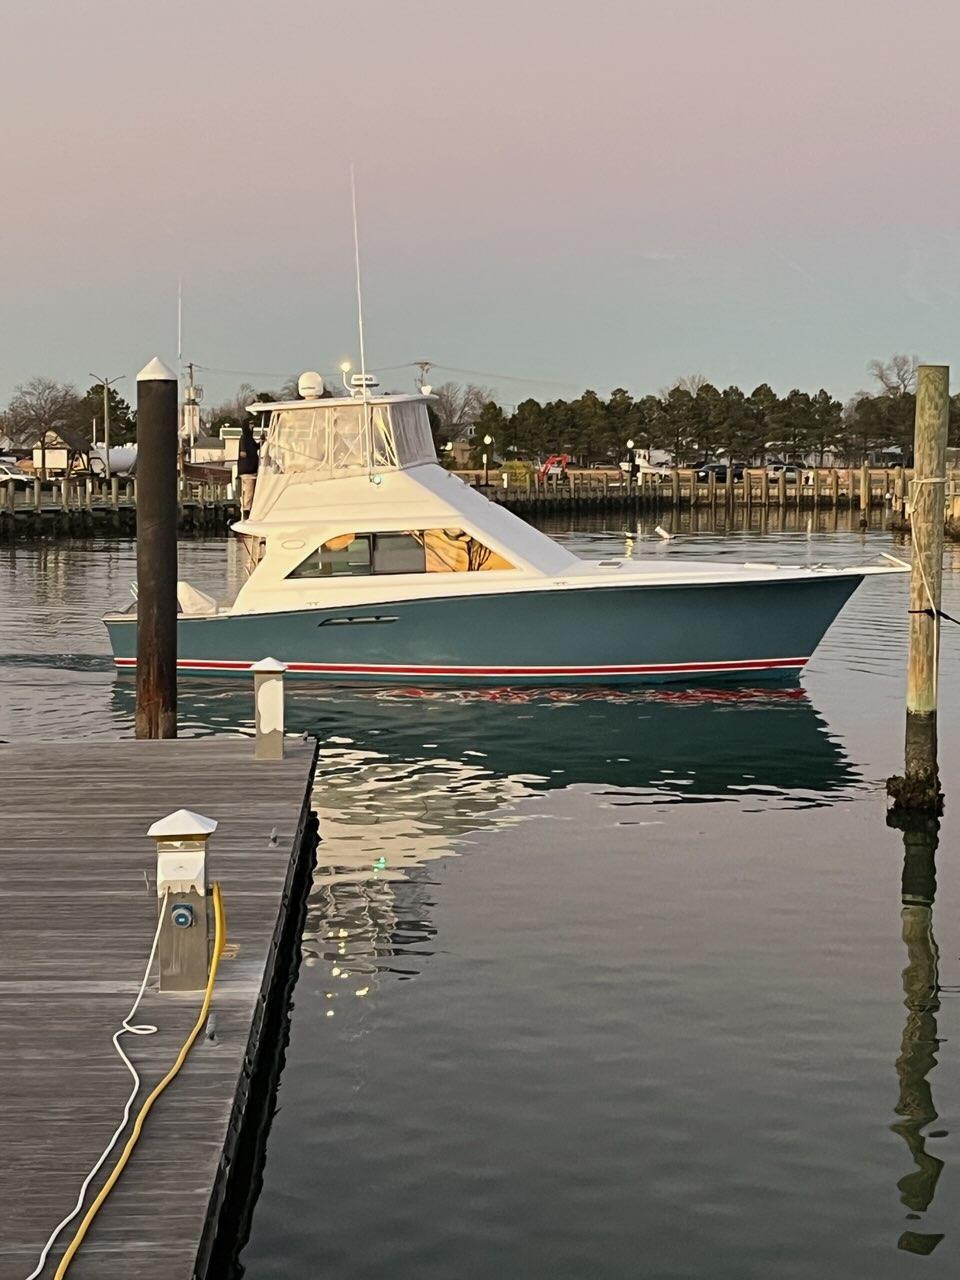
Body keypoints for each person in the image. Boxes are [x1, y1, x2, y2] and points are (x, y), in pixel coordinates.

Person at [237, 417, 260, 517]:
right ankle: (246, 511)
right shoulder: (244, 437)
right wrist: (250, 458)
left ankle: (249, 509)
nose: (253, 426)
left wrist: (262, 441)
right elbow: (243, 453)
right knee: (248, 493)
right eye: (251, 424)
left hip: (252, 471)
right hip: (247, 472)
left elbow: (256, 447)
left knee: (251, 492)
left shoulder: (250, 438)